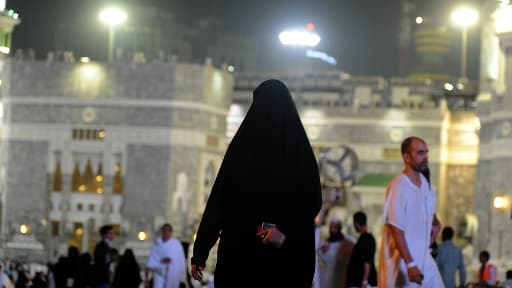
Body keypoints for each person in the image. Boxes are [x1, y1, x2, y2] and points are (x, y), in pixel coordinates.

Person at [190, 79, 322, 287]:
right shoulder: (300, 152)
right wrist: (284, 231)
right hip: (286, 262)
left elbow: (218, 204)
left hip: (240, 260)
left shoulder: (241, 150)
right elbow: (312, 201)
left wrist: (200, 253)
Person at [378, 136, 444, 288]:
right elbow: (396, 228)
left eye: (426, 152)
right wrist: (410, 263)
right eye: (420, 152)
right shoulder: (398, 186)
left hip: (425, 261)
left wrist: (432, 235)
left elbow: (434, 221)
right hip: (403, 263)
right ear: (407, 157)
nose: (426, 156)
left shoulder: (427, 185)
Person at [145, 224, 186, 288]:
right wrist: (146, 280)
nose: (166, 232)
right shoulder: (157, 244)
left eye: (168, 230)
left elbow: (181, 261)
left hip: (173, 276)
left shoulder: (176, 245)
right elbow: (151, 262)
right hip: (159, 275)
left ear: (171, 232)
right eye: (164, 230)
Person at [318, 218, 353, 288]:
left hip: (340, 276)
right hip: (326, 277)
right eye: (331, 227)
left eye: (335, 227)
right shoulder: (325, 243)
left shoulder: (346, 242)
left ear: (339, 228)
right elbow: (320, 261)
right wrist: (322, 251)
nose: (332, 230)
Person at [346, 211, 377, 288]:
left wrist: (365, 281)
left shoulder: (365, 238)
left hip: (361, 283)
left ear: (356, 223)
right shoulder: (366, 238)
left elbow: (367, 261)